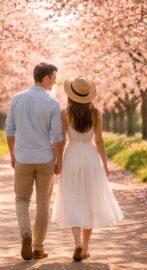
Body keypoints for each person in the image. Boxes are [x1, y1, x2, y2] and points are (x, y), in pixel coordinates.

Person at [51, 76, 124, 261]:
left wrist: (58, 162)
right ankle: (85, 248)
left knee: (72, 199)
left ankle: (76, 243)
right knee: (89, 201)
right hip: (91, 158)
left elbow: (61, 141)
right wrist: (105, 165)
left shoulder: (64, 112)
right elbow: (99, 141)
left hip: (72, 156)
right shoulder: (96, 113)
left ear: (71, 94)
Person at [5, 63, 64, 260]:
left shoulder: (17, 99)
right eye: (54, 77)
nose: (55, 81)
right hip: (45, 158)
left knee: (22, 199)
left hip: (22, 157)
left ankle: (25, 234)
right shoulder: (53, 103)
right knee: (43, 203)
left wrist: (12, 154)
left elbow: (10, 130)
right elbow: (57, 136)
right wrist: (59, 160)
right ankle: (38, 247)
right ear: (46, 78)